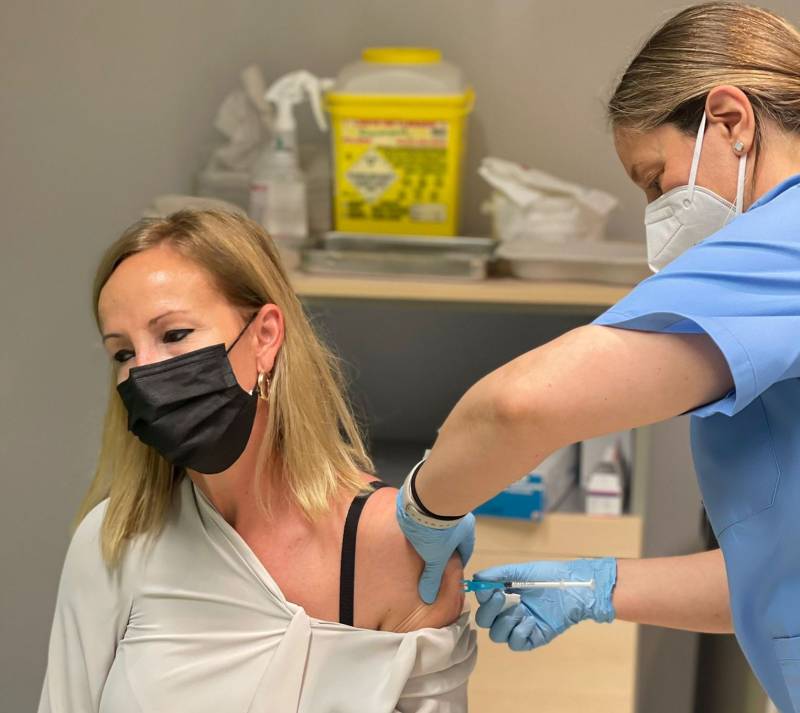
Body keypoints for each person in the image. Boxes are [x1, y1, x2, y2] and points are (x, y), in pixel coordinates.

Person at [395, 3, 800, 710]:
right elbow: (780, 577)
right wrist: (598, 583)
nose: (656, 216)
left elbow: (519, 404)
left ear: (732, 121)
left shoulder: (787, 243)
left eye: (656, 181)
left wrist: (421, 511)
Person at [38, 210, 475, 713]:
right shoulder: (116, 541)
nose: (145, 373)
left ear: (265, 336)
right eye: (122, 354)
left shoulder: (392, 549)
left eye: (175, 334)